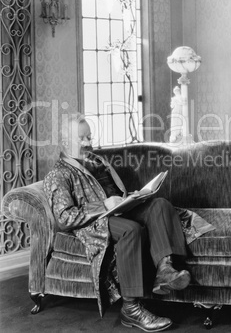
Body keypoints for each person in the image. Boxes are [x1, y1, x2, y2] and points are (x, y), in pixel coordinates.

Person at [43, 114, 192, 332]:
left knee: (159, 204)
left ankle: (165, 269)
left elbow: (113, 193)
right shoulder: (58, 175)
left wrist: (131, 198)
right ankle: (131, 308)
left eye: (89, 136)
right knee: (131, 230)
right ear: (66, 142)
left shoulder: (97, 162)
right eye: (82, 138)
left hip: (118, 210)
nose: (88, 143)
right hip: (95, 224)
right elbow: (65, 218)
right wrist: (104, 205)